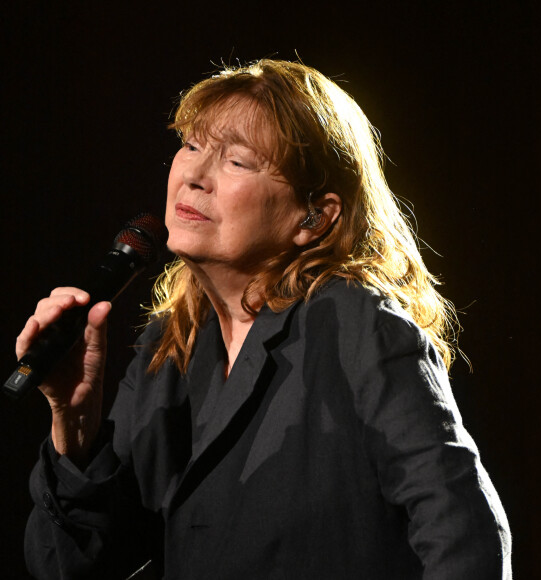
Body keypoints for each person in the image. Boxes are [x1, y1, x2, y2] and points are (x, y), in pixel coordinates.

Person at [19, 59, 512, 579]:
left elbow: (464, 533)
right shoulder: (172, 345)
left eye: (238, 161)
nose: (194, 177)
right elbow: (69, 568)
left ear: (313, 218)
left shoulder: (355, 322)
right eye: (191, 145)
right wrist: (72, 423)